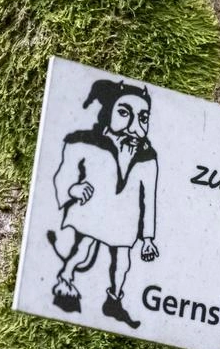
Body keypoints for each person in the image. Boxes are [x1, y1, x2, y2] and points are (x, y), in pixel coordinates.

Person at [46, 78, 160, 328]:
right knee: (84, 251)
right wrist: (73, 189)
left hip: (125, 219)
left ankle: (114, 300)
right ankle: (65, 278)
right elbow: (62, 175)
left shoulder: (147, 158)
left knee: (124, 260)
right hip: (94, 209)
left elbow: (148, 199)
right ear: (108, 113)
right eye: (124, 113)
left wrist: (148, 238)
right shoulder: (83, 142)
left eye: (143, 118)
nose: (134, 126)